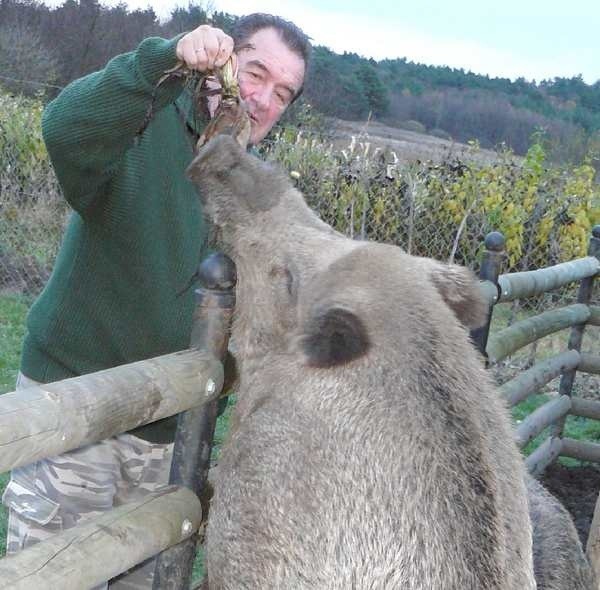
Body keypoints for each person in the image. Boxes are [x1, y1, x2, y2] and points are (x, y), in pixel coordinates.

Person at [2, 13, 311, 588]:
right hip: (75, 414)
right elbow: (64, 127)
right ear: (220, 60)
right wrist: (162, 60)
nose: (263, 98)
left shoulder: (257, 192)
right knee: (50, 575)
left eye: (283, 92)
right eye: (256, 72)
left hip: (170, 440)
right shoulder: (145, 121)